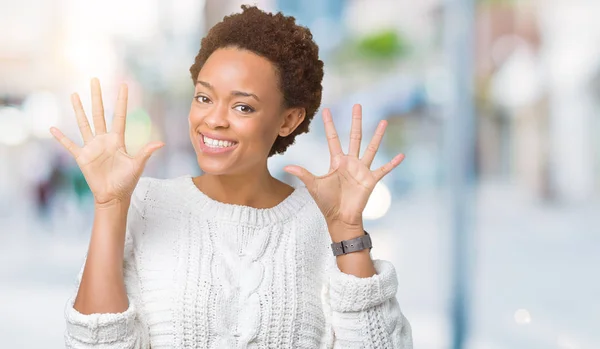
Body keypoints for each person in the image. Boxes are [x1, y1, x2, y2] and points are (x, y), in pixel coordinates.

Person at [50, 5, 413, 349]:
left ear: (288, 120)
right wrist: (110, 205)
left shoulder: (324, 224)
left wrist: (348, 228)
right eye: (204, 98)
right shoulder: (143, 205)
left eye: (243, 106)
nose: (214, 120)